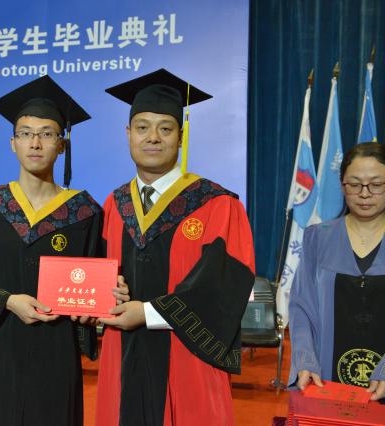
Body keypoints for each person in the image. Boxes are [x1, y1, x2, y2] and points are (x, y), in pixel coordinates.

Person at [0, 75, 116, 426]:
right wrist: (8, 301)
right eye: (25, 133)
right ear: (13, 144)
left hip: (56, 349)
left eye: (47, 134)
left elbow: (96, 284)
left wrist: (92, 310)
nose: (35, 143)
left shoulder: (84, 212)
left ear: (62, 145)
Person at [96, 69, 256, 426]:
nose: (153, 137)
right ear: (128, 134)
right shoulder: (114, 205)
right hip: (122, 355)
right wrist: (105, 291)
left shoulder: (216, 204)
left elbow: (223, 287)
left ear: (181, 137)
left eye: (165, 129)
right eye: (142, 127)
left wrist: (148, 313)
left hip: (187, 361)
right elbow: (97, 274)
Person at [289, 142, 385, 401]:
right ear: (342, 186)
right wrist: (305, 360)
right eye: (354, 184)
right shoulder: (318, 238)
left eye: (376, 184)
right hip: (328, 381)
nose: (365, 193)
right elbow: (301, 308)